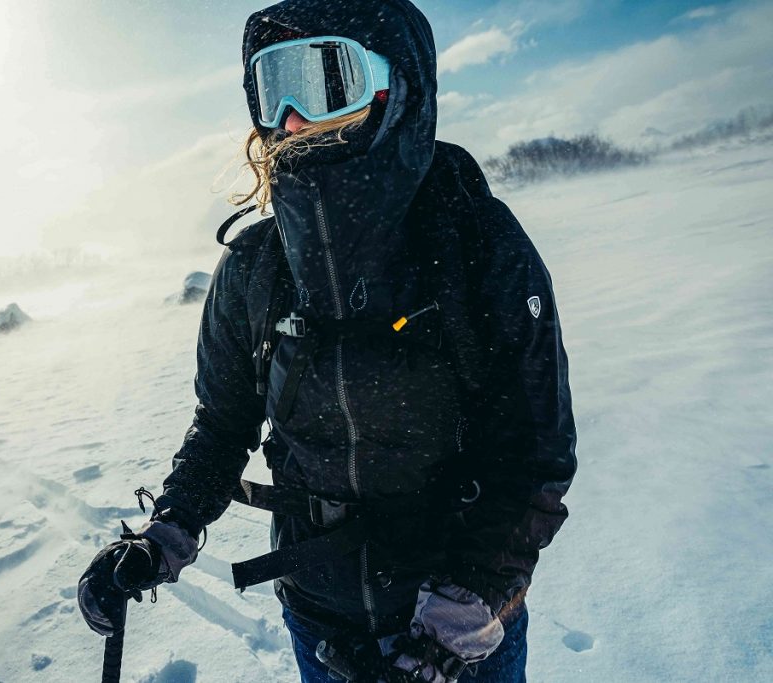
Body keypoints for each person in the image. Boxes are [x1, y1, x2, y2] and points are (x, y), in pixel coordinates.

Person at [78, 1, 577, 681]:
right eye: (269, 83)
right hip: (320, 624)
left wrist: (451, 625)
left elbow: (535, 457)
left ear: (392, 84)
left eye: (318, 79)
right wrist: (164, 535)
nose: (287, 117)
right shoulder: (257, 269)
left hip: (463, 641)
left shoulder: (477, 246)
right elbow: (223, 426)